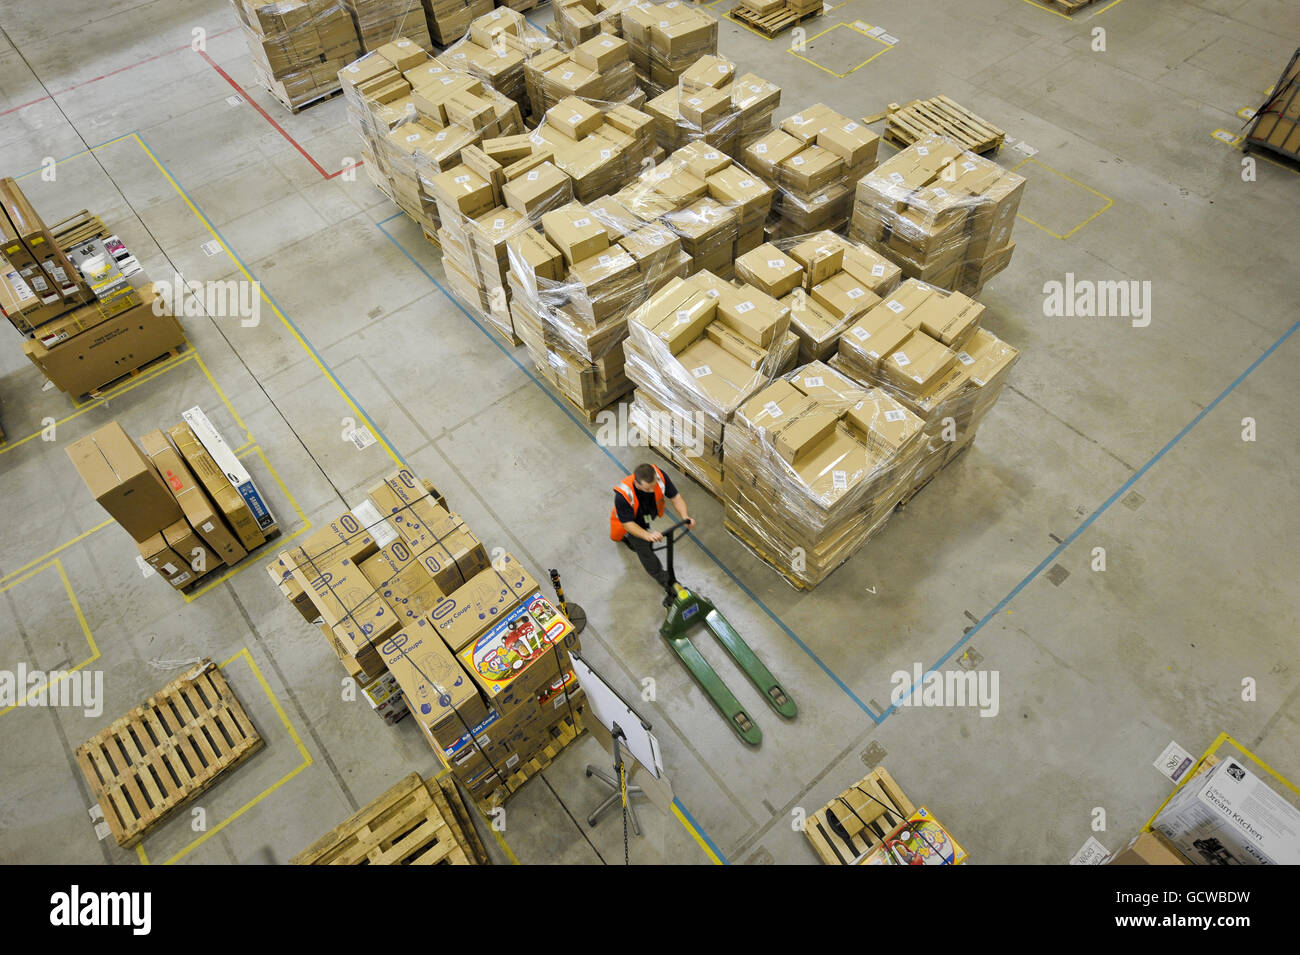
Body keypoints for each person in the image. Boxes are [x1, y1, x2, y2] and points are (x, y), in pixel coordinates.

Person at [609, 462, 695, 588]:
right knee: (644, 550)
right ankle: (665, 580)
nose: (651, 491)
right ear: (637, 483)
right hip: (630, 522)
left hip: (645, 515)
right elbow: (627, 524)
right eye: (647, 489)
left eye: (653, 487)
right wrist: (646, 535)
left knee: (645, 538)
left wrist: (685, 516)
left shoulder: (659, 476)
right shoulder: (622, 496)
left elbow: (676, 497)